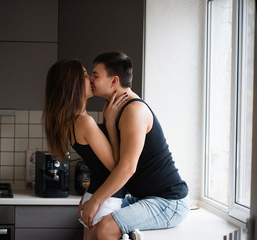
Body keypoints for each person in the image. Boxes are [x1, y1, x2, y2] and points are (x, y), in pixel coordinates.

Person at [80, 52, 191, 240]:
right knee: (92, 219)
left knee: (104, 228)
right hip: (144, 197)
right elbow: (112, 162)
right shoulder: (114, 109)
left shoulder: (134, 111)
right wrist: (90, 198)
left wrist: (95, 200)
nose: (91, 79)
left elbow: (127, 168)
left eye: (96, 75)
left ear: (114, 81)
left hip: (168, 201)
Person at [43, 59, 128, 240]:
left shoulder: (73, 122)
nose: (90, 78)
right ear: (71, 85)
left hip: (94, 197)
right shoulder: (84, 122)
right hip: (106, 202)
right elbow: (115, 166)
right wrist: (111, 125)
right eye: (83, 75)